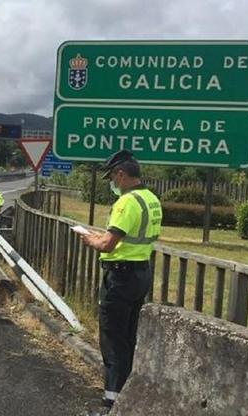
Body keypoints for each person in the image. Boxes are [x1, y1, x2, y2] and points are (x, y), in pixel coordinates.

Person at [79, 150, 162, 413]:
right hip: (141, 274)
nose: (112, 183)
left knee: (113, 341)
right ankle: (126, 398)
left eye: (112, 178)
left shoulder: (126, 202)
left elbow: (107, 243)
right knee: (128, 337)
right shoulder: (151, 199)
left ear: (121, 174)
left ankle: (111, 405)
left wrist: (89, 238)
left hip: (120, 276)